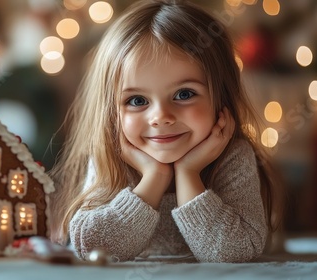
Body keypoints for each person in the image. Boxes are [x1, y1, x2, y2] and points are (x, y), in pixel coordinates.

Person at [49, 0, 282, 263]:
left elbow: (236, 252)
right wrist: (154, 178)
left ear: (222, 99)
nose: (160, 117)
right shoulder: (112, 156)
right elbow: (91, 247)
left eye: (184, 94)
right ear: (112, 113)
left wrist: (189, 174)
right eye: (137, 100)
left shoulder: (233, 156)